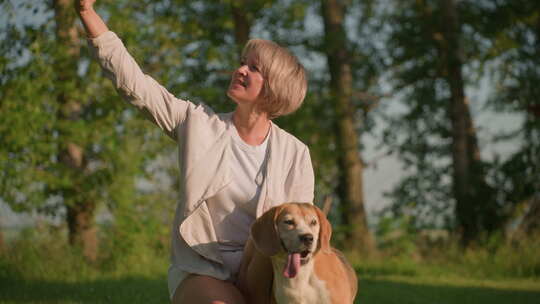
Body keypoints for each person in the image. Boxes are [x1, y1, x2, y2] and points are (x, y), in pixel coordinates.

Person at [74, 1, 315, 303]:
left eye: (253, 68)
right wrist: (87, 13)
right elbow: (134, 85)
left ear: (274, 88)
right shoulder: (197, 123)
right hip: (203, 268)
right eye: (243, 62)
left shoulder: (295, 153)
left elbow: (301, 233)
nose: (239, 70)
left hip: (263, 269)